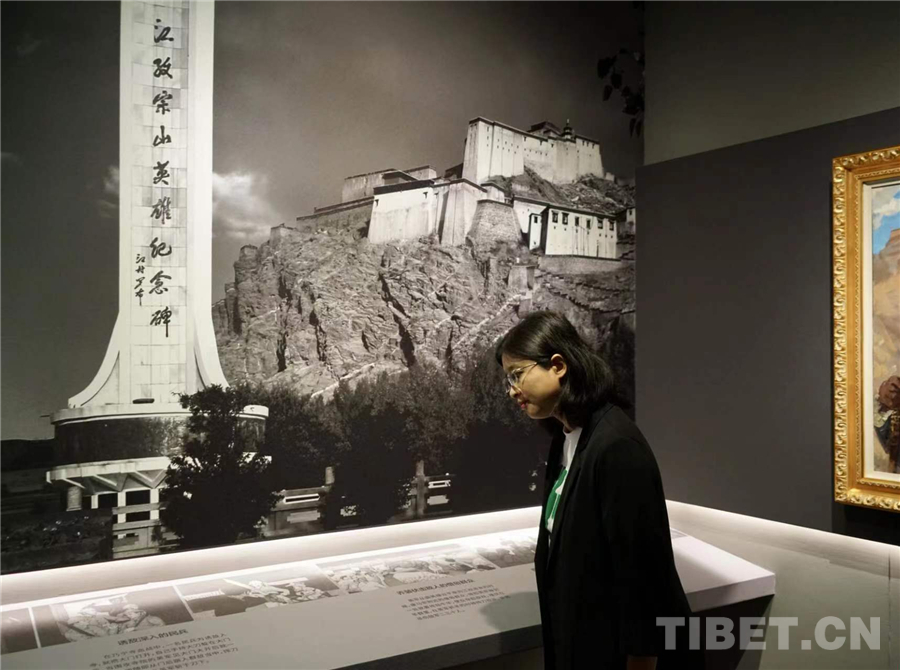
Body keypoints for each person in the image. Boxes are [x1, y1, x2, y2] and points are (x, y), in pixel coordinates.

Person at [495, 310, 699, 670]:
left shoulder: (616, 447)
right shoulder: (565, 440)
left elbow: (643, 580)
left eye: (517, 374)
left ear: (558, 366)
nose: (512, 390)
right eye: (507, 379)